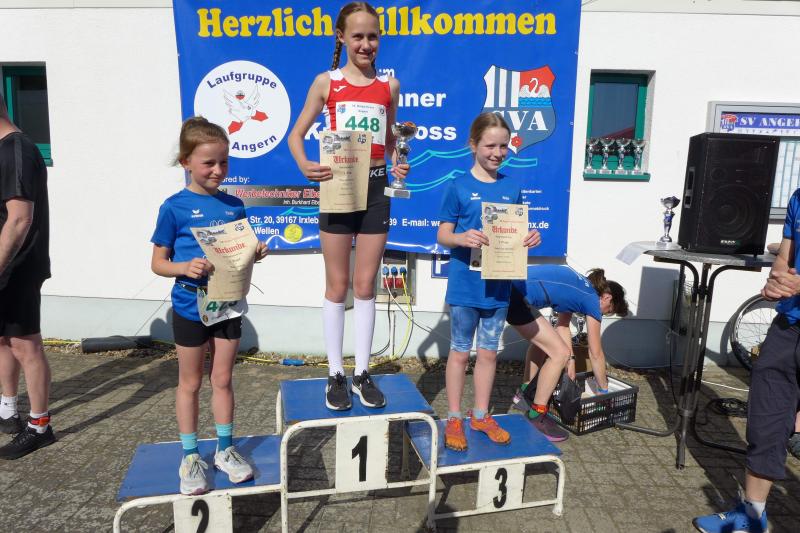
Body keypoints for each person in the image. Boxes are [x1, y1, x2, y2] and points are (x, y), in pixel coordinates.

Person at [287, 2, 408, 411]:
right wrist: (305, 165)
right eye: (357, 36)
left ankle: (362, 372)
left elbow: (390, 141)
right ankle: (335, 372)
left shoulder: (389, 86)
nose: (366, 44)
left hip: (375, 188)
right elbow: (296, 135)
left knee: (366, 284)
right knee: (338, 285)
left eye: (372, 36)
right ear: (342, 37)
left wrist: (397, 162)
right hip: (338, 187)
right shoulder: (327, 82)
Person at [150, 117, 268, 495]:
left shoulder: (234, 205)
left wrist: (255, 252)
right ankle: (190, 456)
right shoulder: (174, 208)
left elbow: (238, 251)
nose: (218, 170)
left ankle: (225, 450)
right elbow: (158, 263)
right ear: (186, 162)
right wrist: (183, 267)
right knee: (190, 382)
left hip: (228, 306)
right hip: (190, 307)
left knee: (223, 379)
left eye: (224, 162)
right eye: (208, 163)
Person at [693, 188, 800, 533]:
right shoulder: (798, 198)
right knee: (765, 421)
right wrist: (775, 283)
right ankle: (753, 517)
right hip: (789, 327)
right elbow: (785, 257)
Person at [436, 112, 540, 451]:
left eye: (503, 146)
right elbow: (443, 234)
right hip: (465, 287)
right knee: (459, 354)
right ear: (473, 145)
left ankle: (480, 415)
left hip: (498, 288)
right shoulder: (458, 186)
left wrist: (530, 237)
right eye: (490, 146)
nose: (497, 153)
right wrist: (461, 238)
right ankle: (454, 417)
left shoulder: (512, 187)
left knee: (488, 355)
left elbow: (516, 232)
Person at [507, 266, 629, 441]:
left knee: (543, 343)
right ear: (607, 298)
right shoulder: (591, 300)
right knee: (558, 354)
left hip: (511, 289)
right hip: (516, 297)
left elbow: (562, 326)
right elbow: (595, 353)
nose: (603, 314)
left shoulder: (581, 288)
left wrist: (571, 362)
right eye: (608, 311)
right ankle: (537, 415)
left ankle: (524, 395)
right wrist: (603, 391)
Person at [0, 91, 55, 460]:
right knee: (3, 340)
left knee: (24, 344)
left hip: (17, 265)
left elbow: (20, 219)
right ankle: (7, 410)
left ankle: (40, 426)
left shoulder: (17, 149)